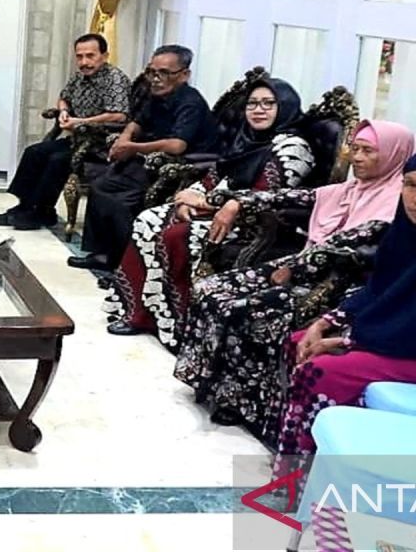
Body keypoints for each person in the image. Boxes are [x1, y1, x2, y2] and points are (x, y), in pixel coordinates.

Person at [173, 119, 414, 442]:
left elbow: (348, 245)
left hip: (335, 284)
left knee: (242, 310)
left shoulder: (392, 205)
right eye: (354, 149)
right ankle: (208, 381)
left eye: (368, 151)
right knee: (209, 289)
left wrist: (296, 269)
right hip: (307, 271)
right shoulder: (350, 191)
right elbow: (291, 196)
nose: (356, 158)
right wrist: (232, 201)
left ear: (393, 155)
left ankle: (245, 405)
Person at [103, 78, 314, 346]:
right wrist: (185, 199)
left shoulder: (293, 147)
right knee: (148, 220)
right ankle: (138, 312)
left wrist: (202, 202)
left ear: (284, 106)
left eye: (268, 104)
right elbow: (214, 177)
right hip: (216, 209)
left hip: (254, 224)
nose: (258, 110)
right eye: (252, 104)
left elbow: (267, 196)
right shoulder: (246, 138)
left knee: (175, 235)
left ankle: (176, 323)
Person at [276, 157, 416, 457]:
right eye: (410, 185)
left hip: (408, 351)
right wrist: (324, 323)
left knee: (319, 370)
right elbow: (377, 290)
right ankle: (290, 458)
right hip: (390, 340)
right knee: (297, 342)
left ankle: (311, 471)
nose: (414, 198)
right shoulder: (403, 235)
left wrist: (350, 341)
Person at [67, 44, 217, 271]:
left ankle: (125, 264)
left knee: (121, 201)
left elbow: (177, 145)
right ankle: (102, 254)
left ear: (184, 75)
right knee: (100, 186)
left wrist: (132, 147)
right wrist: (123, 140)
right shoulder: (156, 95)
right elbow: (136, 122)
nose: (156, 79)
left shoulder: (191, 102)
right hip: (146, 158)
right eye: (151, 72)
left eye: (164, 73)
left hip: (178, 166)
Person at [0, 33, 131, 229]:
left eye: (90, 56)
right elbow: (64, 97)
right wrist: (64, 111)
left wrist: (81, 121)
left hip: (101, 144)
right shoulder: (79, 76)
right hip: (77, 139)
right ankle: (24, 206)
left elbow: (119, 115)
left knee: (57, 160)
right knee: (34, 152)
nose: (84, 62)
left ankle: (41, 211)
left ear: (104, 56)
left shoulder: (114, 79)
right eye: (79, 56)